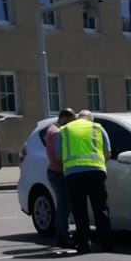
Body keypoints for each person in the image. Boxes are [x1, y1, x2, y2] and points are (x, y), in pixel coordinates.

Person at [58, 109, 112, 254]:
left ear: (77, 117)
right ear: (91, 119)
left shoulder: (65, 129)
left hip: (73, 174)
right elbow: (107, 153)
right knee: (100, 208)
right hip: (96, 172)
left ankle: (84, 244)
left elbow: (59, 154)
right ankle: (105, 243)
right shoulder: (98, 128)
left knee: (79, 210)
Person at [44, 106, 76, 253]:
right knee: (64, 206)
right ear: (64, 118)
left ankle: (61, 234)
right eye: (70, 121)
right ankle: (64, 236)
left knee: (62, 205)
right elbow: (60, 154)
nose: (71, 124)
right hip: (59, 171)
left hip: (53, 171)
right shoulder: (57, 132)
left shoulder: (50, 129)